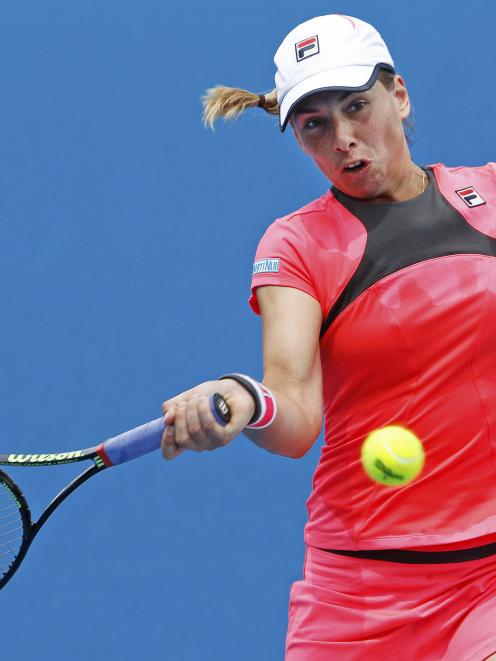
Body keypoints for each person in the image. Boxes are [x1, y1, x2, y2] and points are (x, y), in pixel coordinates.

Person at [160, 13, 496, 660]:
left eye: (357, 106)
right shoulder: (297, 245)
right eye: (316, 124)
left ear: (398, 94)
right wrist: (241, 398)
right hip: (360, 589)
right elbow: (294, 412)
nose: (343, 138)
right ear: (299, 139)